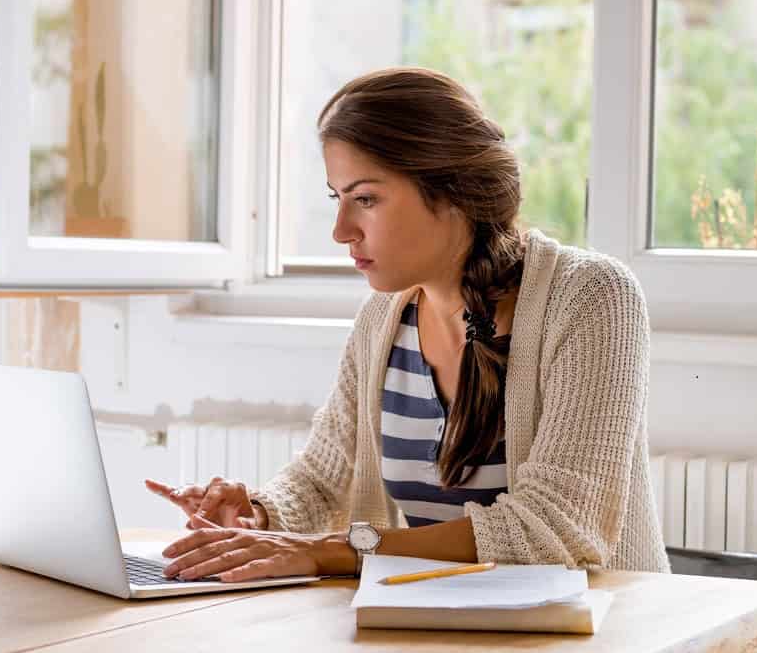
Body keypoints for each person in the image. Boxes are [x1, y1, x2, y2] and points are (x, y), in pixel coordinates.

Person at [144, 67, 669, 583]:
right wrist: (257, 517)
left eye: (365, 199)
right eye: (338, 198)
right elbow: (322, 481)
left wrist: (335, 552)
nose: (341, 231)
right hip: (445, 628)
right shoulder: (385, 317)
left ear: (452, 190)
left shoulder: (592, 296)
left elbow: (559, 528)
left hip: (599, 633)